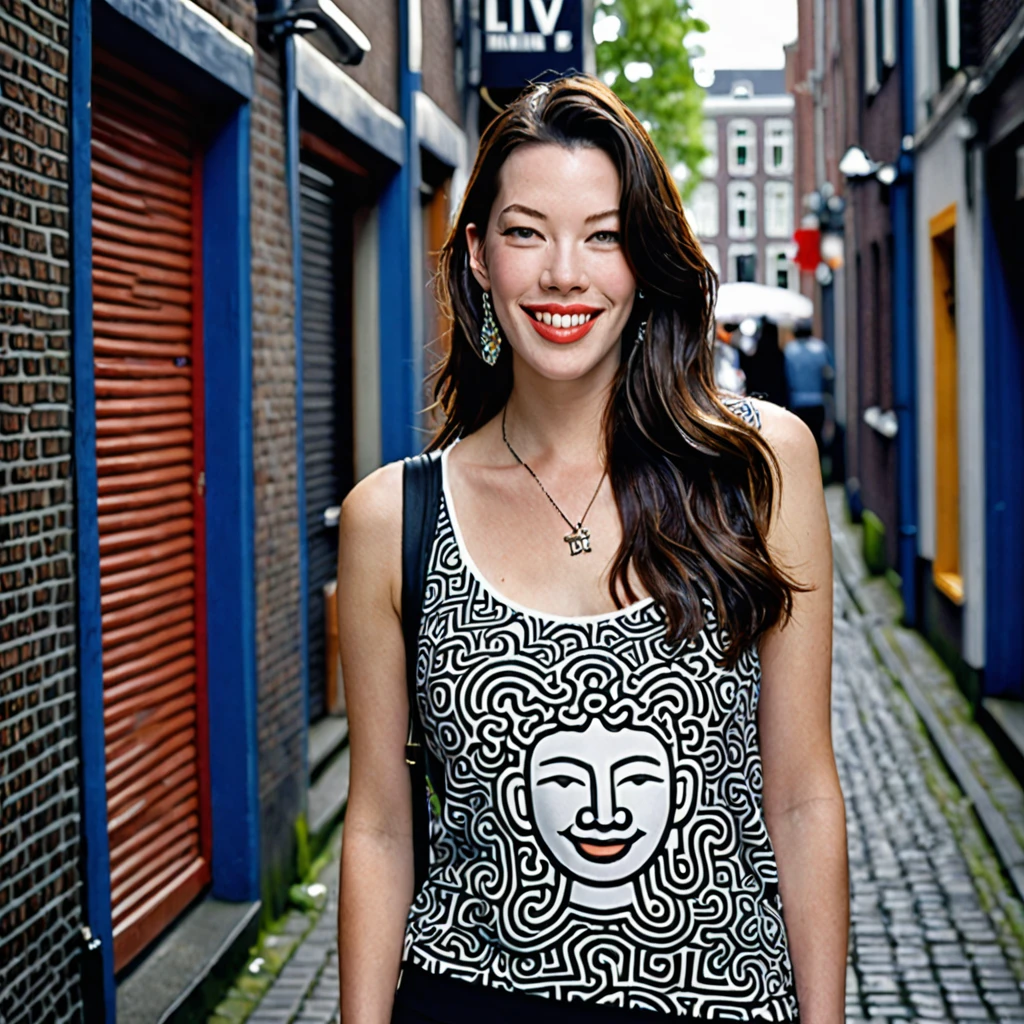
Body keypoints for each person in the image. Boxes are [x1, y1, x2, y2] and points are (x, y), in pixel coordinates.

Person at [337, 75, 847, 1024]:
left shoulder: (759, 466)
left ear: (643, 261)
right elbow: (375, 825)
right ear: (479, 256)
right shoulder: (392, 518)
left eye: (603, 235)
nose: (564, 273)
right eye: (526, 231)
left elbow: (805, 794)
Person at [783, 318, 834, 457]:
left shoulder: (790, 350)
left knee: (799, 440)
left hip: (798, 401)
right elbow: (829, 374)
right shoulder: (820, 348)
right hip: (817, 400)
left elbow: (786, 377)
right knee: (817, 440)